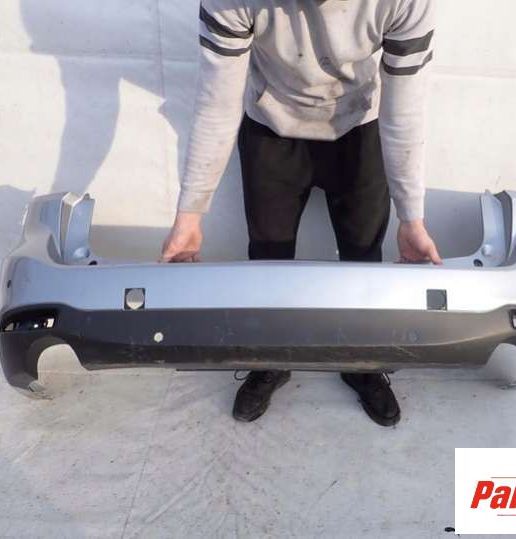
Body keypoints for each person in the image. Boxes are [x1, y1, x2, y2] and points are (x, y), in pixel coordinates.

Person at [161, 0, 442, 426]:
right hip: (271, 127)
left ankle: (361, 363)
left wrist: (411, 217)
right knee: (268, 259)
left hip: (359, 126)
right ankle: (270, 360)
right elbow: (216, 104)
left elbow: (406, 109)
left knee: (363, 257)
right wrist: (189, 216)